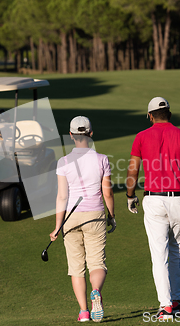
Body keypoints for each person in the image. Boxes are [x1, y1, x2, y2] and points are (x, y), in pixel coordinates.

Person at [125, 97, 180, 320]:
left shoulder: (141, 137)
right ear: (170, 113)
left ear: (150, 116)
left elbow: (133, 171)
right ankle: (178, 302)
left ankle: (166, 306)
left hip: (154, 200)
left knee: (160, 255)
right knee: (178, 251)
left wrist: (130, 196)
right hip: (179, 199)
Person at [50, 116, 116, 323]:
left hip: (71, 218)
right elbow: (107, 192)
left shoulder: (63, 162)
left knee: (76, 267)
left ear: (70, 136)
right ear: (91, 133)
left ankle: (84, 312)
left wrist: (57, 227)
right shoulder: (102, 159)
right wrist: (112, 216)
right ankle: (96, 291)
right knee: (97, 263)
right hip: (95, 216)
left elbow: (61, 196)